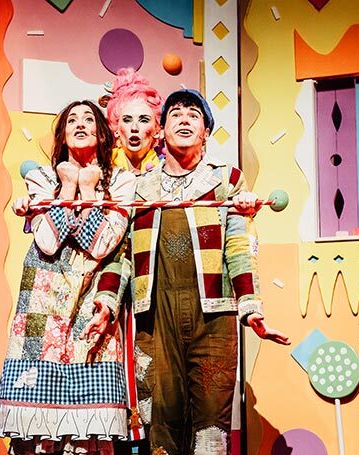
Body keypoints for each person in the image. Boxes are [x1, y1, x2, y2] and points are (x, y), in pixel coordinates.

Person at [102, 89, 290, 455]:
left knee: (210, 429)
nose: (185, 119)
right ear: (161, 131)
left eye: (194, 114)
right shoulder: (139, 187)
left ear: (206, 131)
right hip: (154, 320)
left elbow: (238, 246)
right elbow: (121, 253)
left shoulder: (225, 182)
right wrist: (106, 302)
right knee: (160, 424)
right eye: (175, 114)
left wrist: (251, 308)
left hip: (213, 319)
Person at [0, 100, 136, 455]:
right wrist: (68, 186)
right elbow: (47, 240)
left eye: (89, 119)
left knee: (88, 436)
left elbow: (103, 244)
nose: (81, 124)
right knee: (37, 438)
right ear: (62, 133)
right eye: (72, 119)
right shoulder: (42, 177)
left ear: (103, 133)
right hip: (42, 307)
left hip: (91, 304)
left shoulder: (121, 180)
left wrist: (89, 189)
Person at [106, 67, 164, 175]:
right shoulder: (102, 167)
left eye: (144, 120)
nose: (134, 128)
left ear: (157, 131)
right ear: (116, 129)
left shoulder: (165, 170)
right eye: (127, 120)